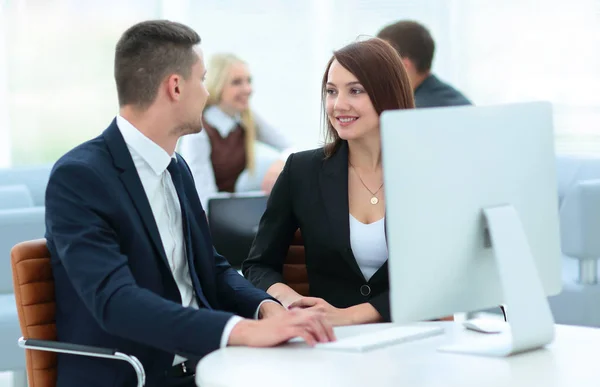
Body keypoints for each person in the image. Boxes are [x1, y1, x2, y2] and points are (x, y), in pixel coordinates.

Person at [45, 20, 333, 387]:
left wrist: (266, 308)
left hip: (209, 368)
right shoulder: (80, 177)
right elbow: (115, 301)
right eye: (202, 79)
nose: (206, 93)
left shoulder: (176, 166)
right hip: (136, 376)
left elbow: (209, 267)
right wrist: (239, 330)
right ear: (176, 87)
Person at [242, 38, 414, 326]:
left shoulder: (426, 173)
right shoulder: (302, 170)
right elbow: (258, 265)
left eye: (355, 91)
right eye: (331, 92)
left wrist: (354, 315)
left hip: (414, 337)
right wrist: (291, 301)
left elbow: (439, 274)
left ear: (389, 94)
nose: (338, 105)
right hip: (330, 344)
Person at [178, 53, 293, 208]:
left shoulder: (246, 118)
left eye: (249, 81)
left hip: (227, 213)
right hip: (206, 218)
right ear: (217, 86)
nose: (248, 89)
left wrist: (282, 163)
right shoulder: (199, 131)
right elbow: (204, 199)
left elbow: (291, 147)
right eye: (237, 82)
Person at [377, 20, 472, 108]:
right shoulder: (460, 102)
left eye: (381, 63)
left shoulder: (410, 114)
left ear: (403, 67)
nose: (376, 71)